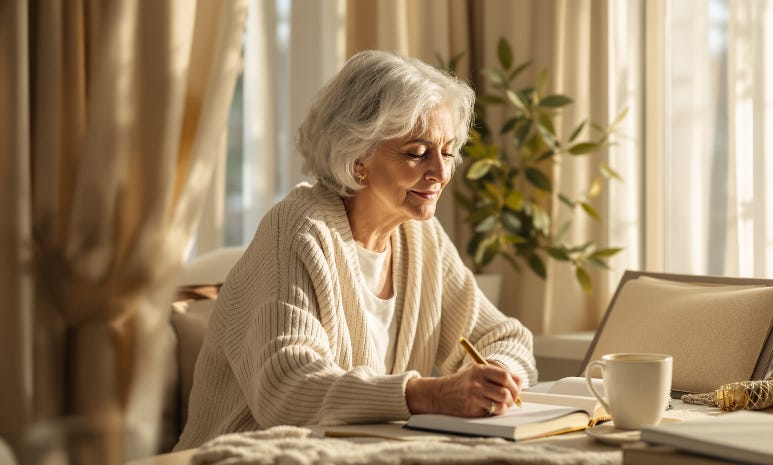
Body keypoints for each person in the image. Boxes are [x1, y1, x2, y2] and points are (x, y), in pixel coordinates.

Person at [175, 50, 537, 449]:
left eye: (448, 151)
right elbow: (287, 387)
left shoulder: (420, 235)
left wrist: (496, 376)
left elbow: (504, 337)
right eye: (416, 153)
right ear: (358, 157)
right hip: (248, 456)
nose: (439, 172)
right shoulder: (297, 229)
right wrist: (428, 395)